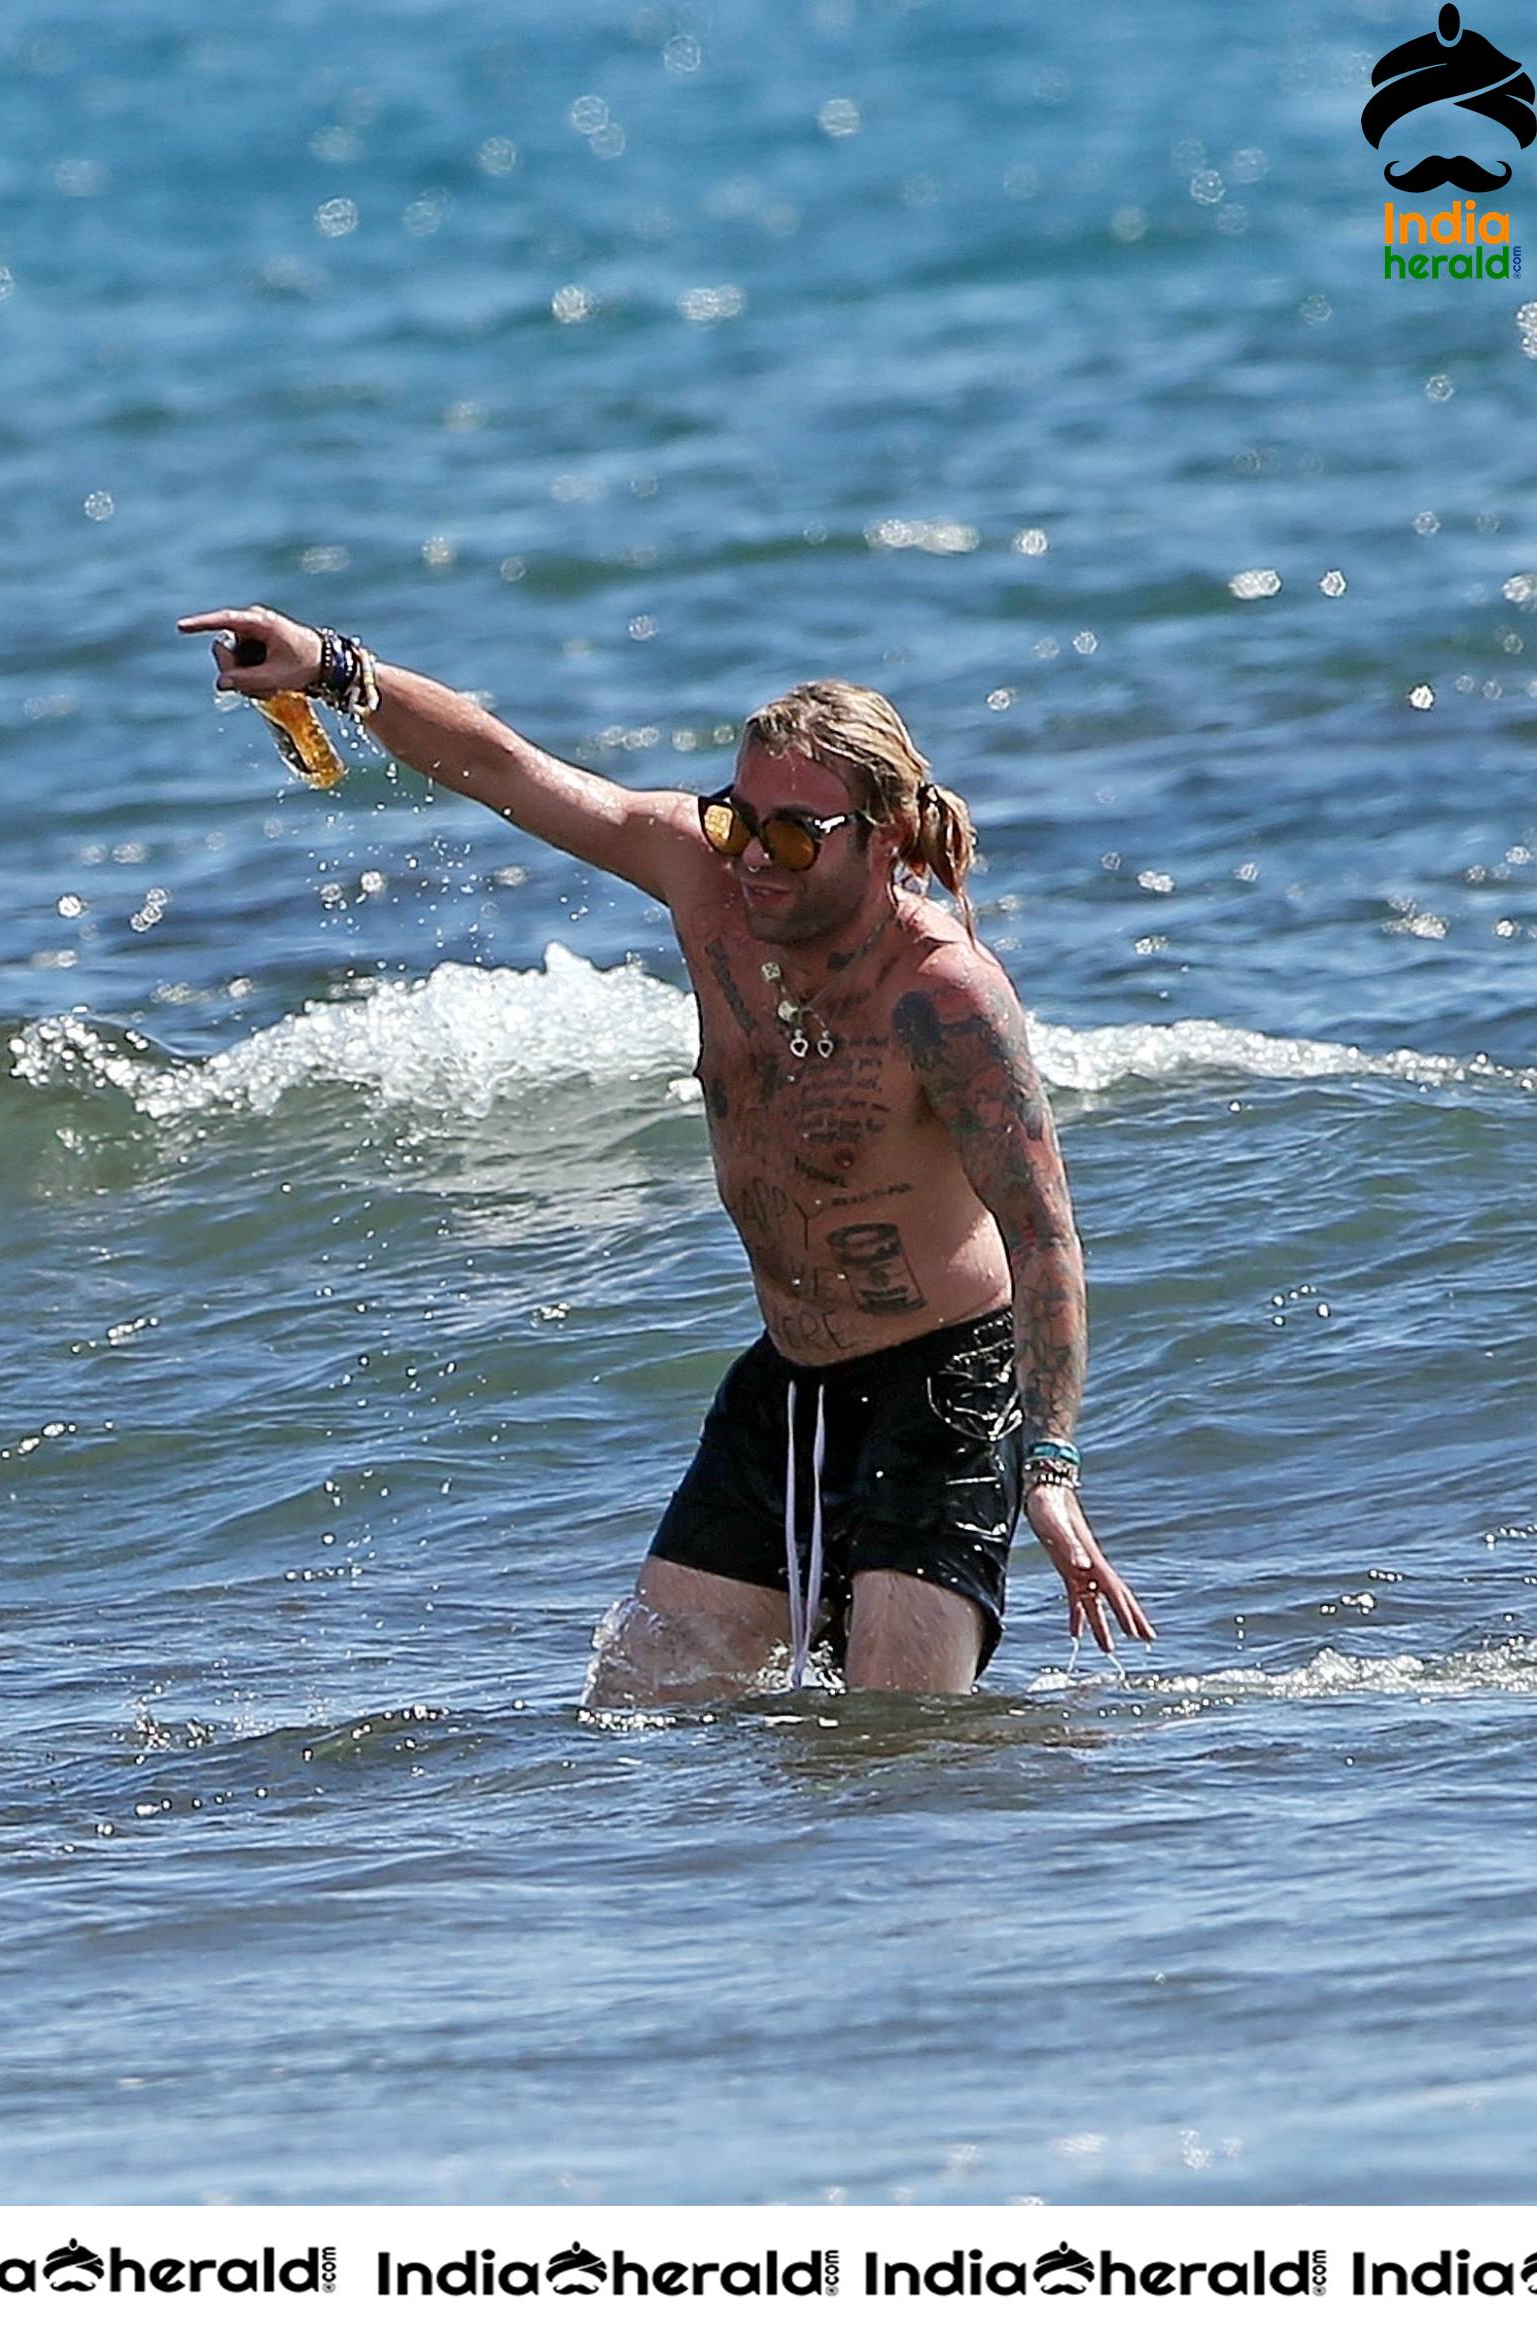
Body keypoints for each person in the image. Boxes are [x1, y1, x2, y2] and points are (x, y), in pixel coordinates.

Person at [177, 607, 1152, 1699]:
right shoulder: (705, 879)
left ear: (881, 841)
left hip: (946, 1395)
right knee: (636, 1706)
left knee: (898, 1736)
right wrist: (336, 668)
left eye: (792, 835)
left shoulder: (943, 996)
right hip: (787, 1386)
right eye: (738, 819)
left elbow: (1040, 1231)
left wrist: (1049, 1467)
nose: (753, 856)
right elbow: (505, 765)